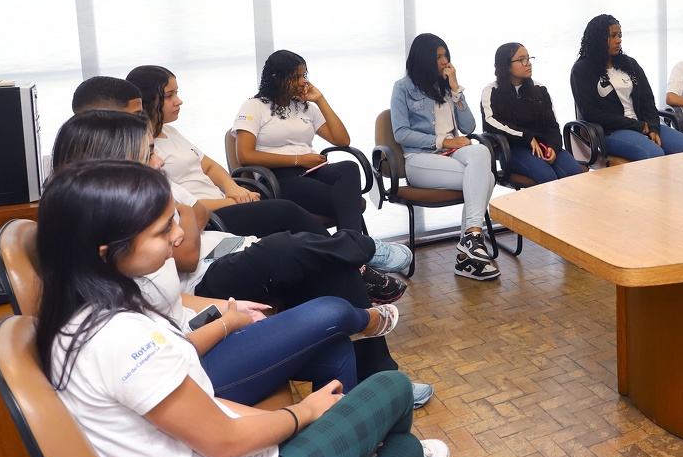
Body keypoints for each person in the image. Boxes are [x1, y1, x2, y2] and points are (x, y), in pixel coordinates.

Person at [36, 160, 448, 457]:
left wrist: (228, 323)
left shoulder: (91, 315)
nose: (179, 235)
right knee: (392, 387)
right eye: (163, 230)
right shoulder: (118, 338)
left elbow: (204, 408)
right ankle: (368, 338)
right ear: (107, 253)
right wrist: (305, 414)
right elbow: (224, 441)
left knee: (403, 454)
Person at [52, 110, 427, 401]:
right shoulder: (117, 249)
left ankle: (380, 388)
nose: (160, 161)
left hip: (207, 291)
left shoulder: (143, 216)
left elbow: (190, 235)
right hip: (198, 330)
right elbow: (186, 254)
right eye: (149, 151)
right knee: (301, 268)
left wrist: (226, 309)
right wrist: (227, 321)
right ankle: (366, 259)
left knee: (328, 278)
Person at [124, 65, 412, 279]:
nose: (179, 101)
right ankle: (360, 251)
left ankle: (355, 253)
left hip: (226, 202)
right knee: (286, 212)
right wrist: (233, 199)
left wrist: (234, 188)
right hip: (211, 217)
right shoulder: (141, 150)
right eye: (171, 95)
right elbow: (182, 204)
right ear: (149, 101)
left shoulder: (170, 132)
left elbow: (210, 165)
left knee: (346, 168)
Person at [392, 33, 500, 281]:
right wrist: (443, 141)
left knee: (481, 151)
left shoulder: (446, 87)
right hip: (420, 160)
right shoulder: (403, 88)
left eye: (445, 56)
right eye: (438, 56)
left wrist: (455, 88)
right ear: (423, 59)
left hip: (452, 155)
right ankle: (468, 255)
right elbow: (401, 133)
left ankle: (471, 239)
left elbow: (470, 125)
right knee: (487, 179)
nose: (444, 61)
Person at [232, 50, 365, 232]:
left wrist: (320, 100)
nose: (303, 81)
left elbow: (341, 139)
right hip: (277, 177)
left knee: (349, 167)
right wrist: (298, 160)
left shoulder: (304, 107)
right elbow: (245, 156)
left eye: (304, 75)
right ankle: (354, 245)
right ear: (276, 77)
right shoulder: (254, 106)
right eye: (296, 76)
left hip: (310, 170)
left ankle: (350, 245)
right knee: (349, 201)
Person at [570, 14, 683, 160]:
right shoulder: (582, 70)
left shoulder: (629, 64)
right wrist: (635, 125)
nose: (618, 40)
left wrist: (654, 128)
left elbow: (647, 100)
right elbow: (590, 113)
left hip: (644, 125)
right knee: (654, 154)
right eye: (612, 36)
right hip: (612, 131)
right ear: (597, 39)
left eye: (620, 35)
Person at [481, 43, 584, 182]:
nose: (528, 63)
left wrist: (553, 146)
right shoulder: (492, 91)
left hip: (543, 145)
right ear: (506, 65)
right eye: (521, 59)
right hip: (512, 150)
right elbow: (490, 124)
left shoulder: (539, 89)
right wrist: (526, 137)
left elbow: (552, 125)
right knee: (547, 177)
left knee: (575, 173)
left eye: (529, 58)